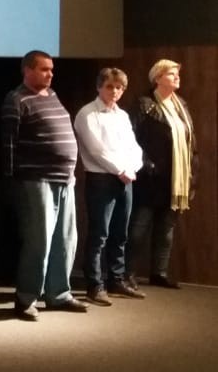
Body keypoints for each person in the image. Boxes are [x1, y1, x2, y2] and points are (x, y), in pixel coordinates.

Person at [1, 51, 88, 320]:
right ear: (27, 70)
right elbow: (8, 143)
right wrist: (10, 179)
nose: (50, 74)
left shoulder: (52, 95)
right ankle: (26, 297)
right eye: (44, 69)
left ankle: (59, 294)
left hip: (64, 179)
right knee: (39, 241)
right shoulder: (16, 99)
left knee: (66, 239)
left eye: (51, 69)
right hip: (35, 180)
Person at [74, 67, 145, 304]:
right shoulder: (87, 113)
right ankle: (95, 285)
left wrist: (132, 167)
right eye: (110, 87)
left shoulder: (122, 115)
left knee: (120, 233)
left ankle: (116, 280)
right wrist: (120, 170)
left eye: (119, 88)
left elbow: (134, 146)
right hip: (101, 179)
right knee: (99, 234)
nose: (114, 91)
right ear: (99, 87)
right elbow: (96, 149)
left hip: (126, 178)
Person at [127, 59, 197, 288]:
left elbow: (191, 142)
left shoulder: (181, 105)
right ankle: (126, 273)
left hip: (176, 179)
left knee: (166, 229)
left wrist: (192, 175)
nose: (177, 77)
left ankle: (159, 273)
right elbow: (131, 138)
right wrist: (147, 166)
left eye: (177, 73)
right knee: (139, 228)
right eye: (171, 73)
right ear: (157, 78)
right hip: (150, 179)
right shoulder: (144, 104)